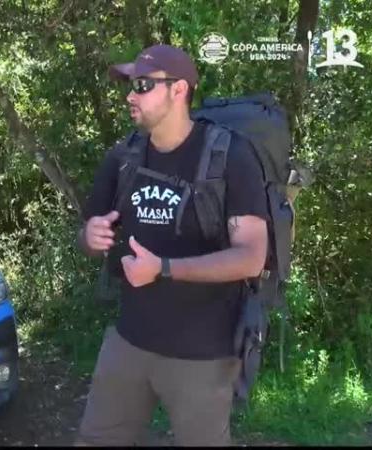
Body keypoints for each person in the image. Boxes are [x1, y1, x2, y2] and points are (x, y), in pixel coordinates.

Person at [75, 44, 270, 446]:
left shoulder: (229, 156)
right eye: (130, 85)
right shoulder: (123, 157)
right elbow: (90, 238)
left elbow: (252, 256)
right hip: (129, 341)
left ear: (179, 90)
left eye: (143, 85)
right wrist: (91, 237)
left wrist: (164, 268)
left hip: (203, 354)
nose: (131, 95)